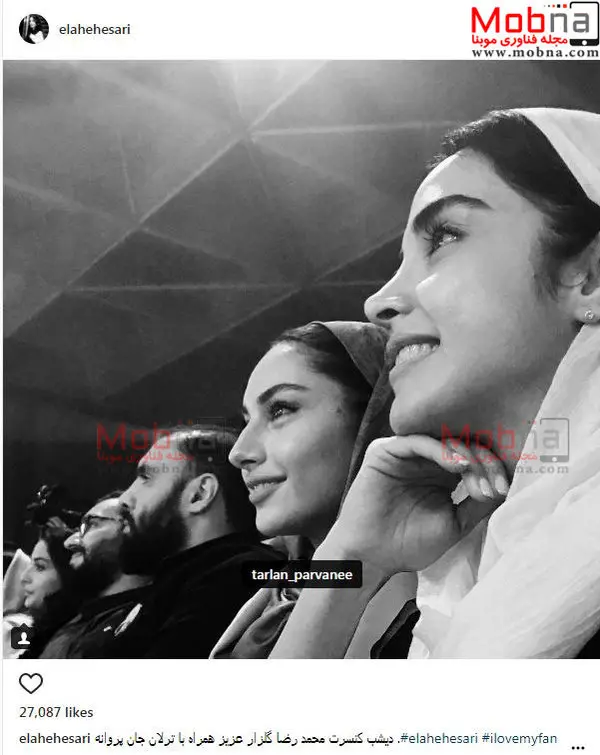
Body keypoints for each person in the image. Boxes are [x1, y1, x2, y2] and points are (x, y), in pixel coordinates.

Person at [268, 108, 600, 659]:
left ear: (590, 277)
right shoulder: (458, 583)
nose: (377, 301)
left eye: (444, 236)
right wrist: (351, 556)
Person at [211, 321, 416, 658]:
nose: (239, 452)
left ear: (375, 417)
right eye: (247, 421)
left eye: (280, 410)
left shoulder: (443, 594)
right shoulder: (276, 592)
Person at [104, 425, 284, 658]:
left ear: (199, 494)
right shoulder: (179, 580)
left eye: (145, 478)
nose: (123, 499)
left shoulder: (237, 576)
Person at [30, 493, 150, 658]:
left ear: (132, 529)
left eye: (92, 524)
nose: (69, 542)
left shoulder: (134, 631)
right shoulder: (82, 618)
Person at [19, 521, 83, 659]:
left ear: (68, 575)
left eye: (40, 567)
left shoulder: (71, 641)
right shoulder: (38, 629)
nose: (24, 577)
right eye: (30, 564)